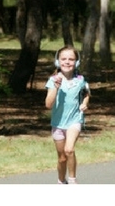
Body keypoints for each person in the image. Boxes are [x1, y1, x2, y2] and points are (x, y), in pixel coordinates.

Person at [45, 46, 90, 185]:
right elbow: (48, 104)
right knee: (62, 158)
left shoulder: (81, 80)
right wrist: (56, 88)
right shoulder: (53, 80)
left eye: (71, 59)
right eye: (63, 59)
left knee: (69, 150)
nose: (67, 62)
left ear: (76, 62)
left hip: (74, 121)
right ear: (57, 62)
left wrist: (85, 103)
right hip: (58, 123)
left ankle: (72, 180)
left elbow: (86, 93)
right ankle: (61, 181)